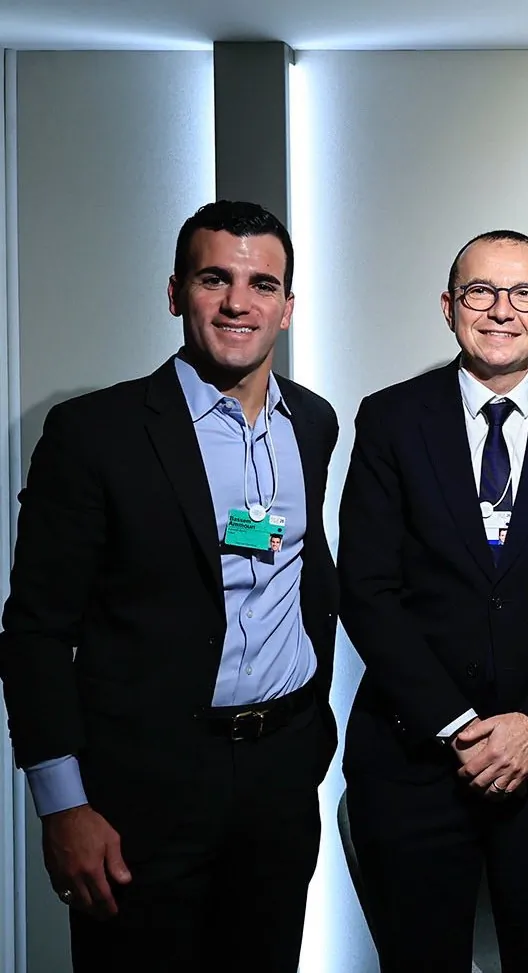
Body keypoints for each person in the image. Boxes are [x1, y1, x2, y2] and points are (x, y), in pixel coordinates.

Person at [0, 200, 340, 970]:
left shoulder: (313, 424)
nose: (237, 302)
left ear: (288, 306)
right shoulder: (95, 433)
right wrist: (62, 803)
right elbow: (36, 631)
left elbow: (299, 573)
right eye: (214, 278)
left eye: (262, 284)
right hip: (143, 792)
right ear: (175, 292)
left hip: (280, 779)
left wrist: (308, 748)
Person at [338, 230, 528, 972]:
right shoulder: (390, 417)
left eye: (525, 294)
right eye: (481, 292)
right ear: (449, 306)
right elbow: (367, 588)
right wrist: (459, 726)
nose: (503, 310)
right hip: (414, 758)